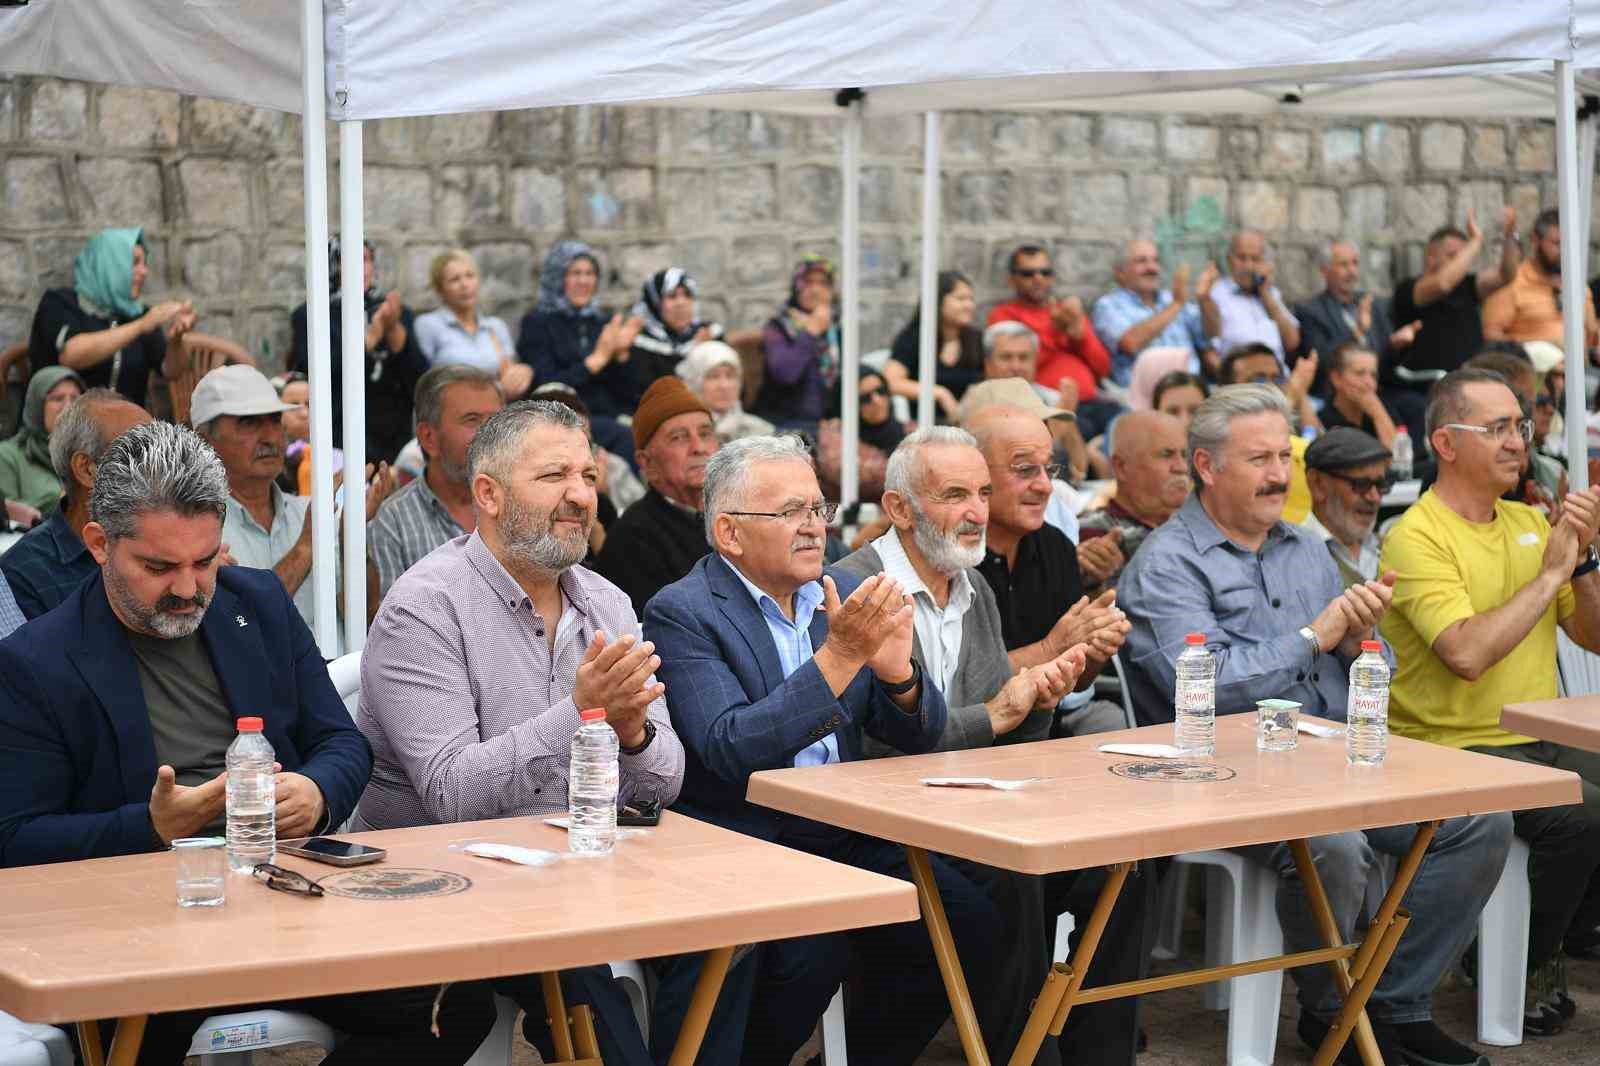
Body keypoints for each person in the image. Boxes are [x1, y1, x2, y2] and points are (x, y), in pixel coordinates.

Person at [0, 420, 491, 1066]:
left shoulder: (254, 602)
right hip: (139, 929)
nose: (186, 587)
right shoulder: (37, 661)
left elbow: (342, 742)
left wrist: (314, 792)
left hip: (286, 906)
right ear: (98, 544)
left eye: (204, 561)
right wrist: (149, 827)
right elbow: (17, 841)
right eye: (158, 566)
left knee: (454, 1001)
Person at [1117, 383, 1512, 1066]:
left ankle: (1389, 1004)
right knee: (1335, 844)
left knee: (1481, 819)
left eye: (1283, 457)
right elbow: (1203, 691)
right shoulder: (1166, 563)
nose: (1278, 475)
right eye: (1259, 459)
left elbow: (1368, 661)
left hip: (1334, 757)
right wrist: (1314, 634)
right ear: (1207, 467)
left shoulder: (1303, 547)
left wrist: (1365, 638)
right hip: (1226, 775)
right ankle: (1333, 1012)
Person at [356, 399, 745, 1066]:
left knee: (735, 933)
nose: (580, 497)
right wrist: (580, 710)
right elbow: (450, 795)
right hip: (438, 882)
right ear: (489, 494)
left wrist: (631, 736)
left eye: (589, 477)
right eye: (554, 476)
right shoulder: (425, 608)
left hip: (579, 868)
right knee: (575, 960)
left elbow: (663, 782)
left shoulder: (606, 600)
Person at [645, 434, 1005, 1066]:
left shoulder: (831, 592)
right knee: (812, 948)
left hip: (843, 829)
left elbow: (918, 734)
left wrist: (899, 676)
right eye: (791, 513)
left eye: (819, 510)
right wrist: (840, 659)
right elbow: (729, 748)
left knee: (969, 927)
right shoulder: (685, 611)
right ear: (729, 533)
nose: (814, 527)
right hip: (745, 835)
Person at [836, 429, 1147, 1066]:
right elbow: (883, 743)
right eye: (955, 495)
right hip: (885, 815)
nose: (977, 511)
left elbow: (995, 738)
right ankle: (1029, 1056)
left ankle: (1100, 1055)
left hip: (971, 807)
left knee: (1120, 866)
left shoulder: (970, 584)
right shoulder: (855, 590)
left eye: (982, 492)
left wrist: (1040, 699)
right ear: (899, 509)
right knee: (1013, 881)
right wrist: (1000, 710)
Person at [1381, 368, 1600, 1034]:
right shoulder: (1416, 535)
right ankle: (1516, 964)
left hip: (1531, 734)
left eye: (1522, 425)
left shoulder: (1531, 521)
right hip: (1447, 744)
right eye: (1498, 427)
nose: (1518, 441)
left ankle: (1556, 938)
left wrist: (1584, 561)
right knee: (1584, 816)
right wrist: (1555, 571)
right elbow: (1467, 655)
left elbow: (1592, 636)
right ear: (1446, 443)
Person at [964, 403, 1132, 737]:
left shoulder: (1053, 544)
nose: (1045, 486)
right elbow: (956, 688)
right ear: (978, 477)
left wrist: (1094, 645)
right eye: (1025, 470)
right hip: (965, 747)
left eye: (1049, 470)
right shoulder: (953, 553)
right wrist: (1051, 648)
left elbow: (1076, 683)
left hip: (1043, 737)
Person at [192, 365, 395, 631]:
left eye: (275, 420)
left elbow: (366, 615)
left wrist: (351, 538)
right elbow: (240, 624)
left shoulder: (314, 512)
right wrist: (306, 546)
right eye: (249, 423)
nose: (270, 438)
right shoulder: (195, 530)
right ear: (205, 441)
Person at [2, 389, 150, 619]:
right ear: (86, 469)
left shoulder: (173, 547)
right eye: (143, 454)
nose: (165, 467)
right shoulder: (25, 573)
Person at [367, 365, 503, 603]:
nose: (490, 434)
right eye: (472, 420)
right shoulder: (394, 521)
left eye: (495, 421)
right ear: (429, 437)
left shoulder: (523, 505)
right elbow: (392, 628)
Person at [290, 237, 428, 464]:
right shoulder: (312, 315)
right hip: (338, 435)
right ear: (332, 265)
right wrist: (366, 343)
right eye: (347, 259)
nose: (358, 267)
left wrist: (394, 332)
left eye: (364, 259)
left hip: (392, 436)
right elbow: (317, 376)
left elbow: (419, 380)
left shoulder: (395, 312)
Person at [27, 227, 195, 406]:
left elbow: (171, 371)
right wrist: (140, 326)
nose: (144, 271)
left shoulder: (137, 313)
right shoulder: (59, 303)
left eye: (144, 263)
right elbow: (70, 356)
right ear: (110, 265)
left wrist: (176, 340)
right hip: (67, 428)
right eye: (135, 262)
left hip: (127, 429)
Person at [593, 377, 720, 615]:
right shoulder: (632, 539)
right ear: (646, 463)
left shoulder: (741, 514)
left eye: (705, 434)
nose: (698, 447)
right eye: (679, 437)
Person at [515, 240, 643, 464]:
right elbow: (545, 383)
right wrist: (594, 362)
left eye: (590, 273)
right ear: (557, 277)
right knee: (625, 438)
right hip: (563, 417)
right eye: (575, 273)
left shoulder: (600, 322)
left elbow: (627, 393)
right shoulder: (538, 323)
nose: (584, 281)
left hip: (609, 415)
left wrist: (621, 355)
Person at [986, 244, 1118, 439]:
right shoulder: (1004, 315)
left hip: (1093, 401)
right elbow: (1019, 365)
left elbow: (1103, 367)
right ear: (1012, 280)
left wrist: (1078, 333)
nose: (1038, 279)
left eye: (1045, 272)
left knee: (1126, 424)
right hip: (1048, 407)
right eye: (1028, 273)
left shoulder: (1066, 312)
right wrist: (1055, 331)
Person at [1390, 209, 1520, 394]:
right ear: (1431, 259)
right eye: (1453, 256)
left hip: (1473, 379)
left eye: (1463, 256)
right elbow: (1443, 283)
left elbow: (1506, 275)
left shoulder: (1467, 285)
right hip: (1429, 386)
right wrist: (1475, 241)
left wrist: (1510, 235)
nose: (1461, 262)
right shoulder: (1410, 289)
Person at [1077, 411, 1190, 590]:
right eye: (1166, 454)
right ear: (1121, 466)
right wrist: (1092, 572)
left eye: (1184, 455)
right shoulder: (1090, 533)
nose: (1182, 467)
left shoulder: (1200, 524)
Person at [1294, 240, 1420, 390]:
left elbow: (1386, 362)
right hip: (1339, 394)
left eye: (1355, 263)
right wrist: (1356, 332)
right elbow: (1321, 362)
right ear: (1324, 270)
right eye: (1343, 265)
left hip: (1380, 390)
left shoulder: (1371, 304)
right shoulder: (1311, 311)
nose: (1352, 271)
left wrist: (1395, 345)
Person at [412, 248, 532, 399]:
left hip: (493, 413)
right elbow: (420, 380)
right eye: (455, 279)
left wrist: (523, 373)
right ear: (440, 289)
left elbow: (509, 374)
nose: (465, 285)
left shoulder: (495, 326)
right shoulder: (429, 325)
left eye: (470, 276)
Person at [1091, 238, 1213, 384]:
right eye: (1141, 261)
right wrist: (1176, 305)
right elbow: (1130, 342)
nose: (1152, 268)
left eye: (1155, 261)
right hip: (1144, 397)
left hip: (1193, 388)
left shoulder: (1170, 298)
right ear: (1120, 273)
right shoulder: (1108, 305)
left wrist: (1205, 300)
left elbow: (1211, 335)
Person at [1219, 343, 1316, 522]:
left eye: (1276, 379)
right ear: (1227, 390)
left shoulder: (1297, 443)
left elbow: (1325, 448)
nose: (1271, 387)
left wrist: (1299, 393)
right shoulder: (1217, 448)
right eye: (1259, 379)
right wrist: (1293, 396)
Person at [1483, 208, 1599, 349]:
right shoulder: (1513, 281)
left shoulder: (1577, 283)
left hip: (1582, 367)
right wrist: (1535, 350)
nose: (1564, 251)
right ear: (1535, 241)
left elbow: (1592, 332)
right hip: (1532, 367)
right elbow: (1491, 335)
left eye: (1569, 244)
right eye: (1557, 243)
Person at [884, 269, 985, 420]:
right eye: (961, 299)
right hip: (924, 426)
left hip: (969, 424)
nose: (969, 305)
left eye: (971, 299)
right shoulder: (915, 337)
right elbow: (890, 381)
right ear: (937, 301)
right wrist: (939, 393)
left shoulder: (976, 338)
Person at [755, 255, 840, 431]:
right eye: (808, 282)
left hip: (822, 426)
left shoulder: (836, 332)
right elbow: (785, 373)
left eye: (823, 283)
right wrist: (810, 332)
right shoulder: (779, 327)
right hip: (782, 423)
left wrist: (836, 416)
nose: (815, 290)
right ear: (797, 287)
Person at [1302, 427, 1394, 587]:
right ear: (1317, 484)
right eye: (1361, 484)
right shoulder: (1290, 558)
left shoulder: (1393, 547)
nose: (1374, 497)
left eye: (1381, 485)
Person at [1198, 230, 1301, 369]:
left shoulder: (1270, 294)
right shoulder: (1216, 294)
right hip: (1240, 382)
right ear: (1229, 260)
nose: (1248, 266)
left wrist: (1266, 295)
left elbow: (1292, 342)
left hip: (1277, 379)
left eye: (1255, 259)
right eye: (1241, 258)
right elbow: (1210, 345)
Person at [0, 366, 81, 513]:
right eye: (57, 398)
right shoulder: (7, 456)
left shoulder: (88, 457)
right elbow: (6, 517)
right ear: (36, 405)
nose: (69, 407)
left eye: (75, 399)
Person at [628, 266, 724, 387]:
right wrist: (695, 356)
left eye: (687, 295)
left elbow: (735, 387)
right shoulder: (641, 344)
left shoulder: (709, 334)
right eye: (672, 296)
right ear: (654, 303)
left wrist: (708, 350)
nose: (681, 303)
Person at [675, 340, 774, 442]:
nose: (724, 386)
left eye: (730, 376)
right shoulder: (679, 435)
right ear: (694, 383)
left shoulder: (762, 432)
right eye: (713, 376)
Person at [1318, 342, 1398, 447]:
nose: (1369, 382)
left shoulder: (1384, 410)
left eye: (1373, 375)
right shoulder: (1325, 420)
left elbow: (1399, 458)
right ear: (1336, 378)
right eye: (1359, 373)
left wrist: (1378, 414)